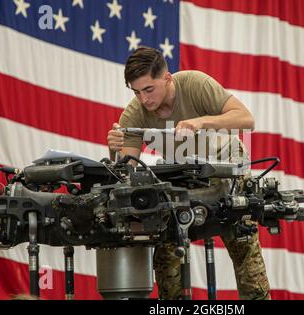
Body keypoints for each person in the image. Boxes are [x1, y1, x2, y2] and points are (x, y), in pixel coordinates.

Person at [107, 46, 270, 300]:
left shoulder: (195, 84)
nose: (144, 99)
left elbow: (247, 119)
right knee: (166, 254)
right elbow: (126, 172)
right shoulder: (135, 112)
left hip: (226, 173)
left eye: (149, 89)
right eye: (137, 92)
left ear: (167, 78)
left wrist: (201, 121)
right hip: (183, 181)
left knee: (245, 250)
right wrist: (113, 150)